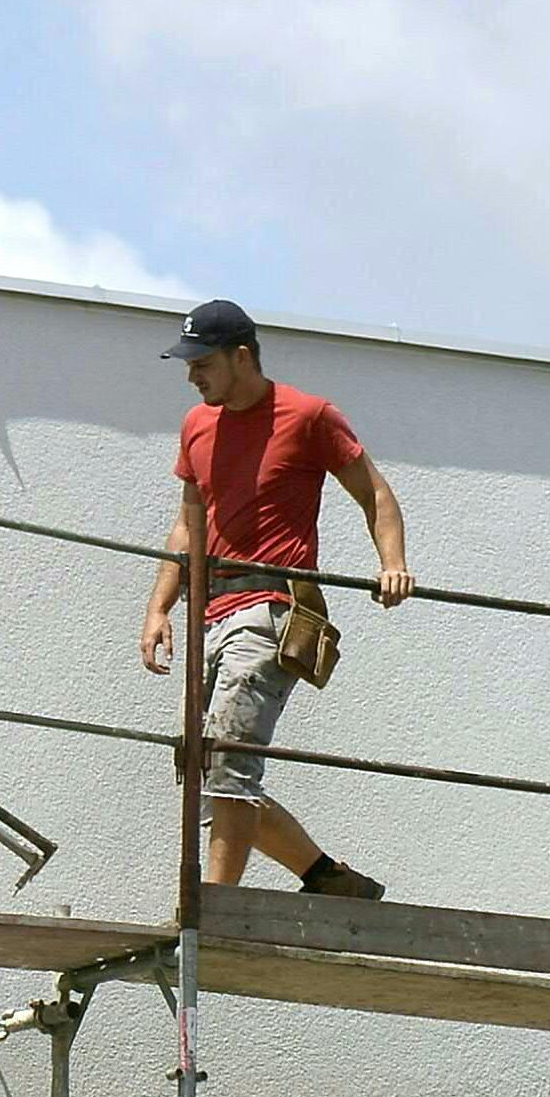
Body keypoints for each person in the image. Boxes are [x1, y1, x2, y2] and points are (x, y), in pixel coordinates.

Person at [137, 298, 412, 898]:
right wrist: (159, 607)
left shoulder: (309, 416)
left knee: (228, 763)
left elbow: (374, 493)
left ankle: (214, 906)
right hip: (211, 615)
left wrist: (392, 565)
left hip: (270, 609)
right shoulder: (197, 426)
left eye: (202, 363)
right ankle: (328, 878)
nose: (191, 375)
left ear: (242, 356)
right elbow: (188, 526)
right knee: (210, 770)